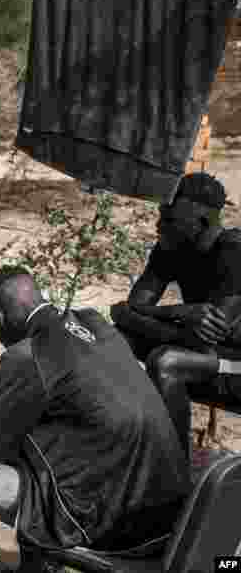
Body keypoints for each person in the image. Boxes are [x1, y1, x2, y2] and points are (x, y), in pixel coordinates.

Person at [0, 266, 190, 573]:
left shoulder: (27, 356)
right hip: (165, 515)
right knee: (33, 454)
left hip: (108, 525)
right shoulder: (95, 325)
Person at [110, 171, 241, 459]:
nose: (158, 226)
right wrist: (181, 311)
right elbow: (133, 307)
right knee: (113, 339)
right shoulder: (170, 248)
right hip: (214, 358)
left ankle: (172, 465)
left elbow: (204, 341)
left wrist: (130, 315)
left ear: (202, 222)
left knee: (167, 360)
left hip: (235, 365)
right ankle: (117, 441)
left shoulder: (234, 252)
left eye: (169, 219)